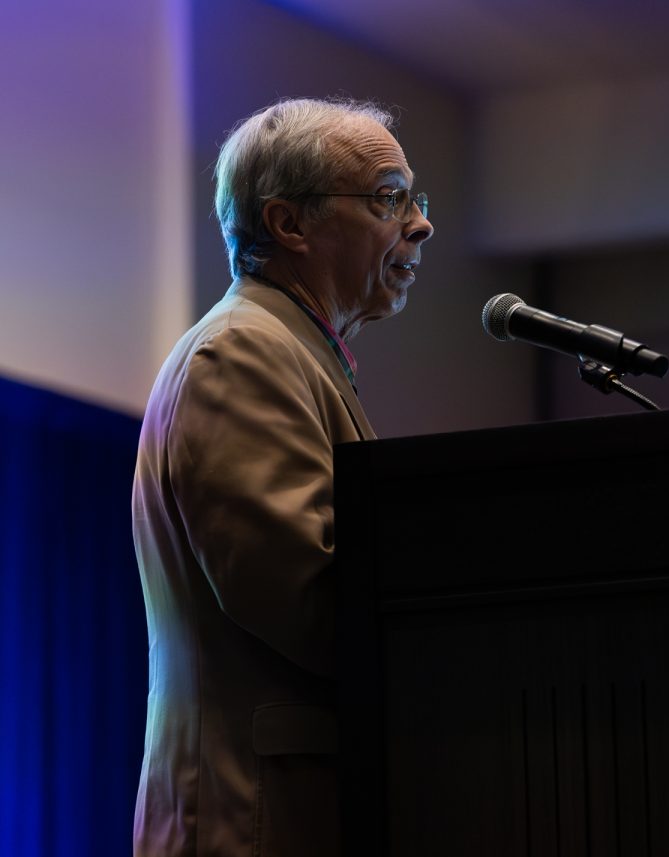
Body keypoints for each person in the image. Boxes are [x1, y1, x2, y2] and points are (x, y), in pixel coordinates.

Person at [131, 97, 433, 857]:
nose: (420, 223)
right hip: (253, 818)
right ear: (288, 224)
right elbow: (307, 596)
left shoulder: (293, 349)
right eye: (388, 198)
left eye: (414, 199)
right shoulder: (242, 354)